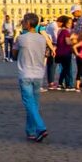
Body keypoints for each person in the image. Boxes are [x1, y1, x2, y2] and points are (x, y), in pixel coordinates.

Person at [15, 13, 49, 142]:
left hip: (25, 73)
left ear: (28, 24)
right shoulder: (42, 39)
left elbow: (14, 52)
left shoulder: (21, 38)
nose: (22, 22)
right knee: (34, 103)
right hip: (39, 74)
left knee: (29, 103)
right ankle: (31, 131)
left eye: (24, 21)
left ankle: (41, 127)